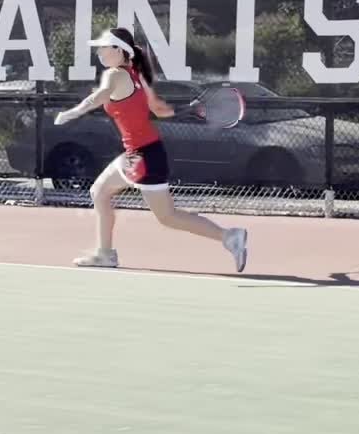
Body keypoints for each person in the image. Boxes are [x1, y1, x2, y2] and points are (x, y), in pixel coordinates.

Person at [54, 26, 248, 272]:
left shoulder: (114, 74)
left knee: (167, 217)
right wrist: (182, 110)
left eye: (104, 47)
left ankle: (229, 236)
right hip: (140, 152)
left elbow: (99, 98)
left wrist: (71, 113)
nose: (100, 52)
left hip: (142, 156)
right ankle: (105, 254)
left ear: (118, 50)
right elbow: (158, 110)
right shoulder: (137, 76)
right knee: (100, 191)